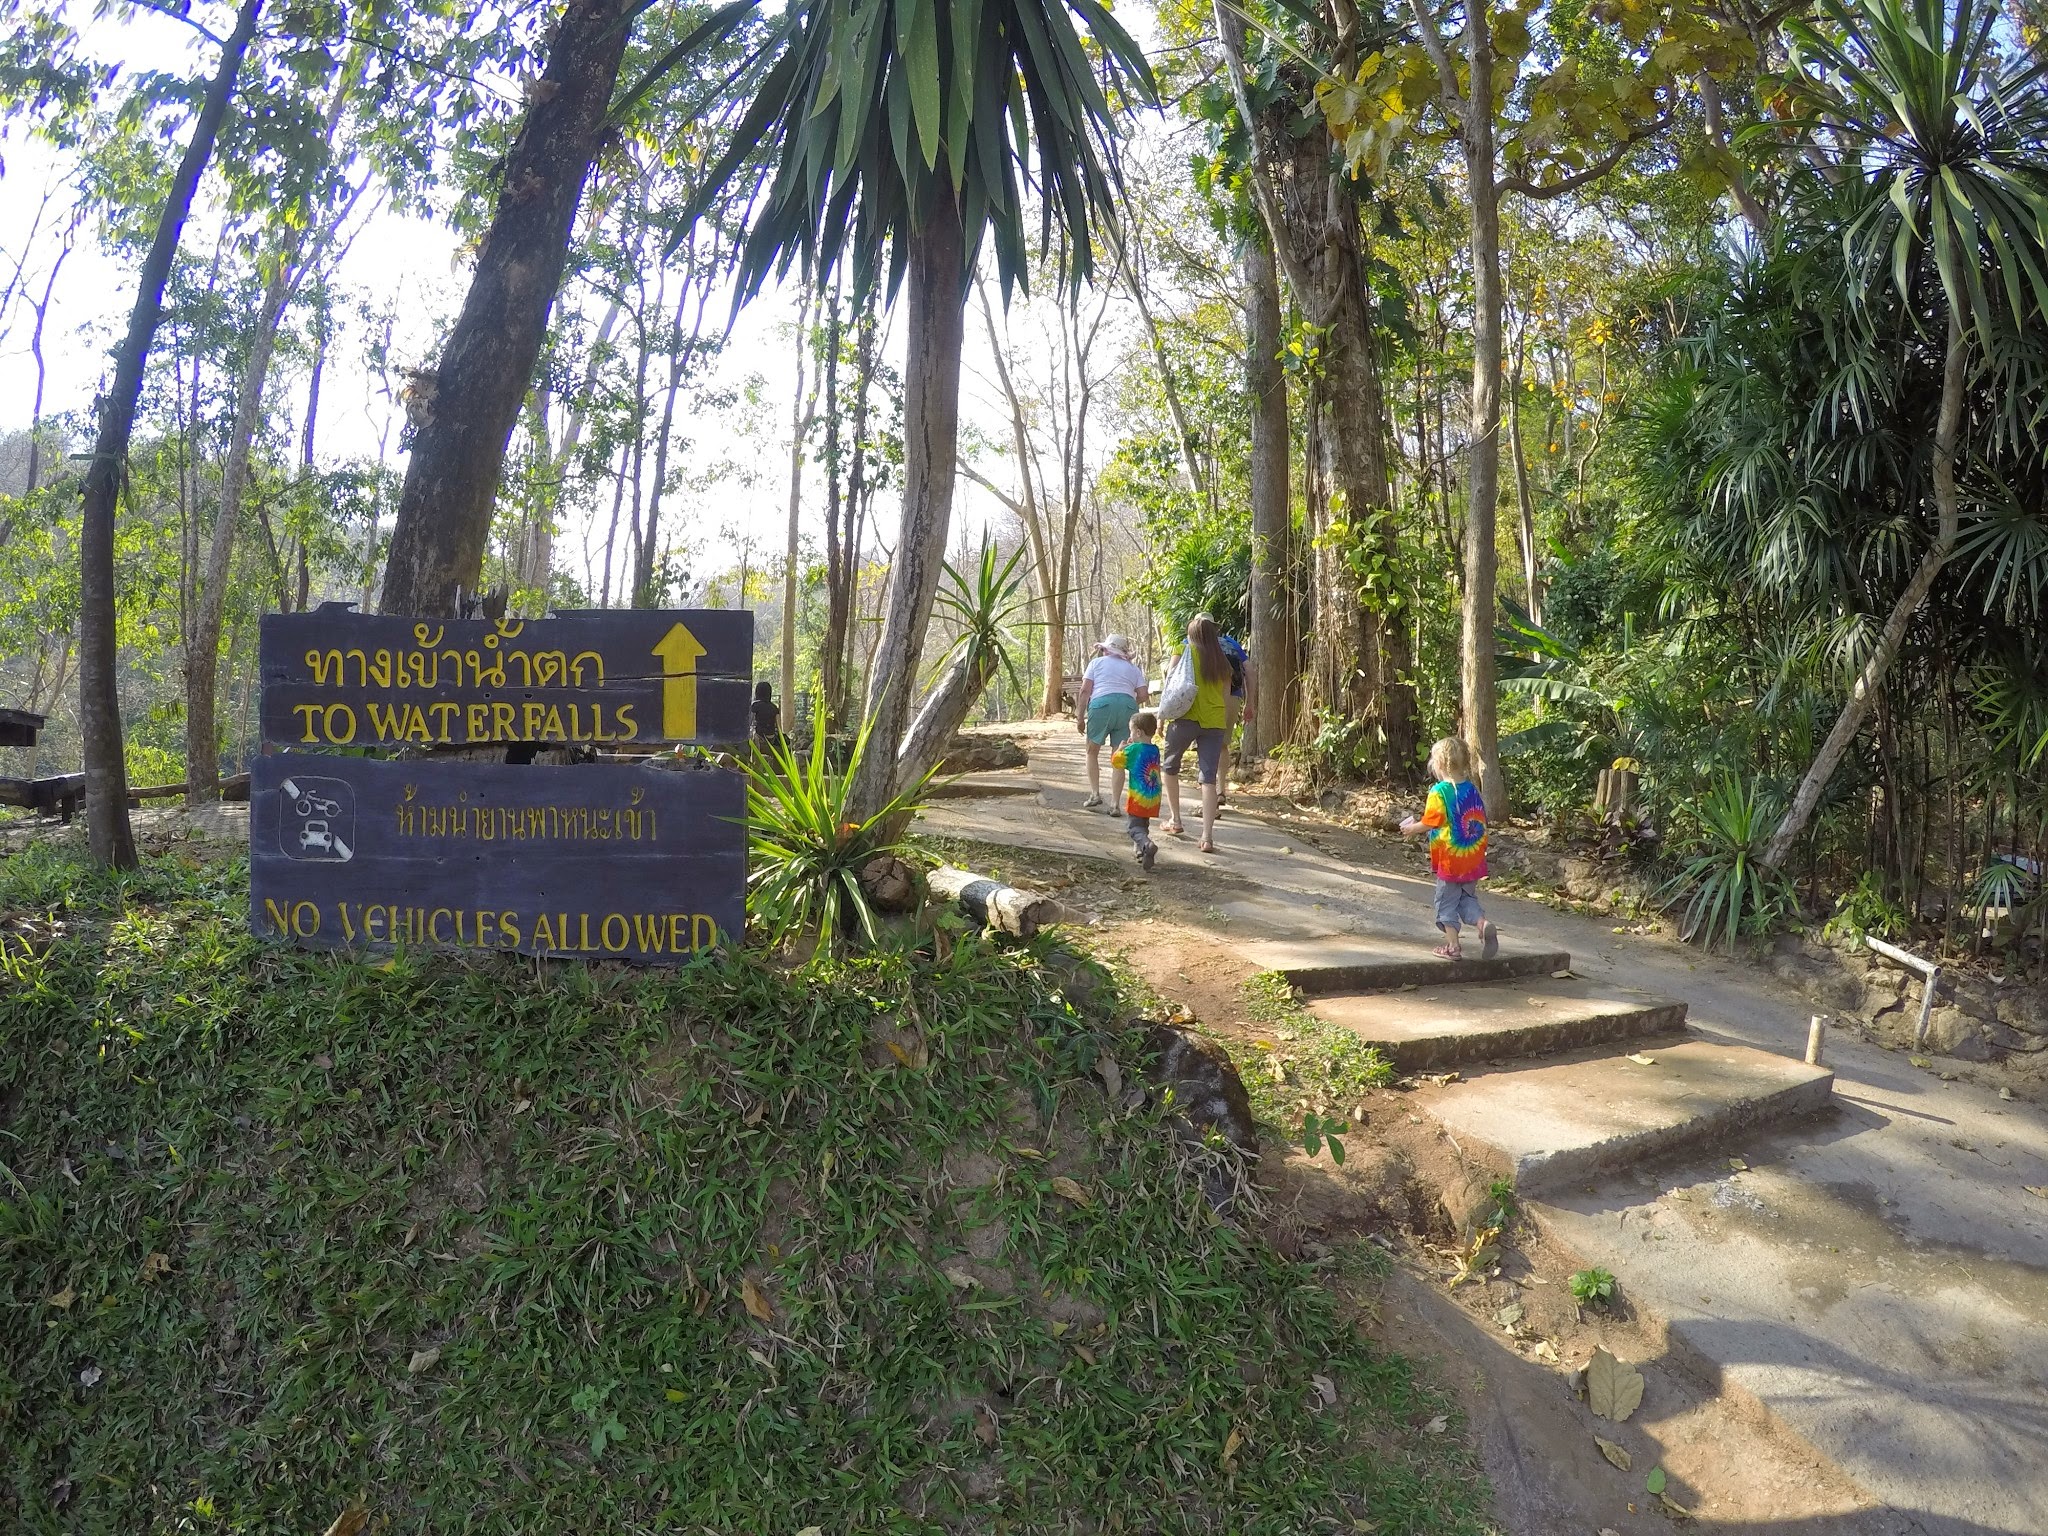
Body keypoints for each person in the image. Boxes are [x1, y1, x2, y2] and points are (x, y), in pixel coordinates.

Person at [1400, 734, 1498, 960]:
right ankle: (1482, 924)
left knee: (1445, 902)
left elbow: (1432, 821)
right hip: (1471, 856)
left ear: (1441, 764)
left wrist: (1412, 829)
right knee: (1466, 898)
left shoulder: (1439, 791)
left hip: (1450, 859)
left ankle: (1452, 947)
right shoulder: (1472, 789)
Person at [1161, 614, 1231, 853]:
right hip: (1214, 720)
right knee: (1208, 778)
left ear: (1191, 635)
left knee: (1170, 767)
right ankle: (1207, 837)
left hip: (1185, 718)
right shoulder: (1222, 660)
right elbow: (1225, 693)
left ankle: (1176, 820)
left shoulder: (1183, 650)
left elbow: (1171, 681)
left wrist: (1163, 716)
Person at [1075, 633, 1147, 812]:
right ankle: (1115, 804)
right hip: (1128, 707)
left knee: (1092, 751)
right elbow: (1144, 695)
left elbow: (1085, 691)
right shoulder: (1133, 668)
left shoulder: (1096, 664)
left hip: (1101, 705)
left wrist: (1079, 716)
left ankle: (1095, 794)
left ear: (1106, 649)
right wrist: (1128, 703)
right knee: (1119, 756)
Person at [1111, 710, 1162, 871]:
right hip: (1153, 796)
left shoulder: (1133, 749)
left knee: (1133, 828)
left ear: (1138, 732)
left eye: (1131, 731)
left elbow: (1116, 762)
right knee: (1143, 824)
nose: (1130, 734)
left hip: (1138, 797)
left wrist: (1120, 749)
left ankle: (1146, 844)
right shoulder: (1154, 749)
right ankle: (1142, 851)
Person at [750, 680, 779, 744]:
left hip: (758, 735)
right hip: (771, 736)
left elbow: (749, 721)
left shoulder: (754, 705)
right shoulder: (774, 707)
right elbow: (778, 726)